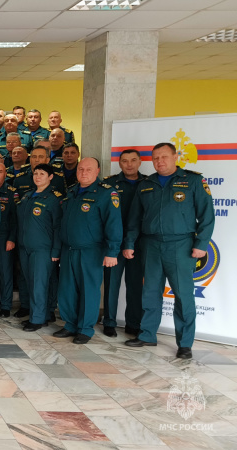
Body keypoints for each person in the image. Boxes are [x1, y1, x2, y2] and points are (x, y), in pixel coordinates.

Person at [123, 143, 215, 359]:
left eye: (164, 157)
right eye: (155, 158)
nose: (159, 161)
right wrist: (129, 243)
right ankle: (147, 334)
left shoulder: (193, 181)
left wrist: (201, 244)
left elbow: (207, 216)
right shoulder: (146, 184)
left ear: (175, 157)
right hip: (151, 244)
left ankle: (185, 343)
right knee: (150, 292)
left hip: (181, 245)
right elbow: (134, 219)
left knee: (183, 295)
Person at [53, 158, 121, 344]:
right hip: (69, 249)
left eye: (88, 169)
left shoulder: (106, 193)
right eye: (80, 169)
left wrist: (112, 251)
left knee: (88, 290)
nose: (83, 172)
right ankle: (70, 324)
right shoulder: (72, 191)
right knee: (67, 289)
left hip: (91, 251)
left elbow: (114, 224)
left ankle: (85, 329)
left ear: (97, 171)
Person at [102, 149, 146, 337]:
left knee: (135, 285)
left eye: (133, 160)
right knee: (111, 284)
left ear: (140, 162)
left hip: (139, 243)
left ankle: (133, 324)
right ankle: (109, 322)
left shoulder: (148, 183)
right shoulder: (109, 184)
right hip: (114, 242)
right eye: (125, 161)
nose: (129, 164)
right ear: (119, 163)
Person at [16, 164, 63, 332]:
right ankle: (42, 314)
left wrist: (56, 250)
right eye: (35, 173)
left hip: (42, 249)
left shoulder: (53, 198)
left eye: (42, 174)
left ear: (50, 177)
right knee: (32, 282)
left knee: (39, 284)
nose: (37, 176)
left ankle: (37, 319)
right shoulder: (27, 196)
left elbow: (58, 227)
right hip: (25, 247)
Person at [0, 162, 18, 317]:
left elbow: (15, 218)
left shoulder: (11, 192)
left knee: (4, 273)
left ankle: (5, 305)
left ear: (5, 174)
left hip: (3, 238)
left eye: (0, 172)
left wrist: (11, 238)